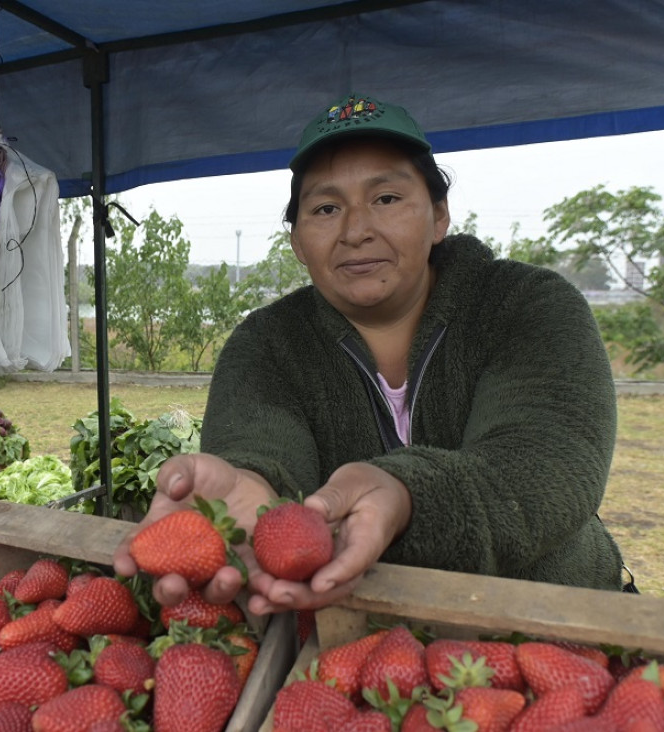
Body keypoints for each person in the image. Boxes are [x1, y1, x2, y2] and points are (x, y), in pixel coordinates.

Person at [113, 92, 625, 616]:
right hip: (351, 638)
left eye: (386, 199)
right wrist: (252, 483)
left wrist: (407, 495)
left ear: (440, 215)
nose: (356, 231)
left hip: (553, 623)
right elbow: (260, 447)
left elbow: (546, 463)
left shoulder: (525, 304)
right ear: (296, 242)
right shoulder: (267, 343)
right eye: (326, 208)